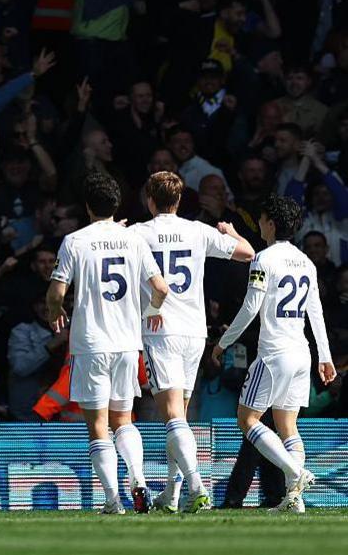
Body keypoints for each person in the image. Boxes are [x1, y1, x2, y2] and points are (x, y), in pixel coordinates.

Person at [129, 171, 255, 513]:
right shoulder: (197, 230)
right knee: (179, 416)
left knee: (171, 415)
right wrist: (231, 232)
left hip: (160, 329)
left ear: (149, 200)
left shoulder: (137, 234)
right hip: (194, 332)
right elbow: (247, 253)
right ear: (180, 200)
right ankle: (171, 494)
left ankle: (197, 486)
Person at [46, 172, 169, 515]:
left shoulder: (74, 241)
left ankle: (114, 500)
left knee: (98, 425)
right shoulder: (134, 240)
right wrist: (150, 313)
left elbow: (56, 291)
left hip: (91, 344)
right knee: (124, 420)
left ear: (87, 206)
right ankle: (139, 478)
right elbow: (160, 288)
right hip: (127, 343)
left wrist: (53, 313)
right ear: (117, 205)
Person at [212, 196, 336, 513]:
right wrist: (326, 356)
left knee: (247, 419)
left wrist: (224, 341)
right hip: (301, 354)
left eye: (263, 219)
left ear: (269, 223)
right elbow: (316, 313)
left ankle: (295, 474)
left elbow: (251, 307)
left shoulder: (264, 259)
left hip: (274, 355)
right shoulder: (306, 262)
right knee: (287, 425)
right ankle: (293, 498)